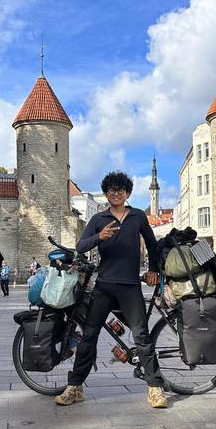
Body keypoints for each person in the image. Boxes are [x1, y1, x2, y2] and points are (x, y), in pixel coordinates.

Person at [54, 171, 167, 409]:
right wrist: (99, 236)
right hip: (104, 285)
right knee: (89, 336)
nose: (116, 193)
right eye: (111, 190)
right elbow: (81, 246)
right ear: (106, 194)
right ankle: (75, 387)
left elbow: (152, 244)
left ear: (128, 193)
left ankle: (155, 389)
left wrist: (154, 269)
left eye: (121, 190)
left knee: (142, 336)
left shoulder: (137, 216)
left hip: (130, 285)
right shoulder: (99, 218)